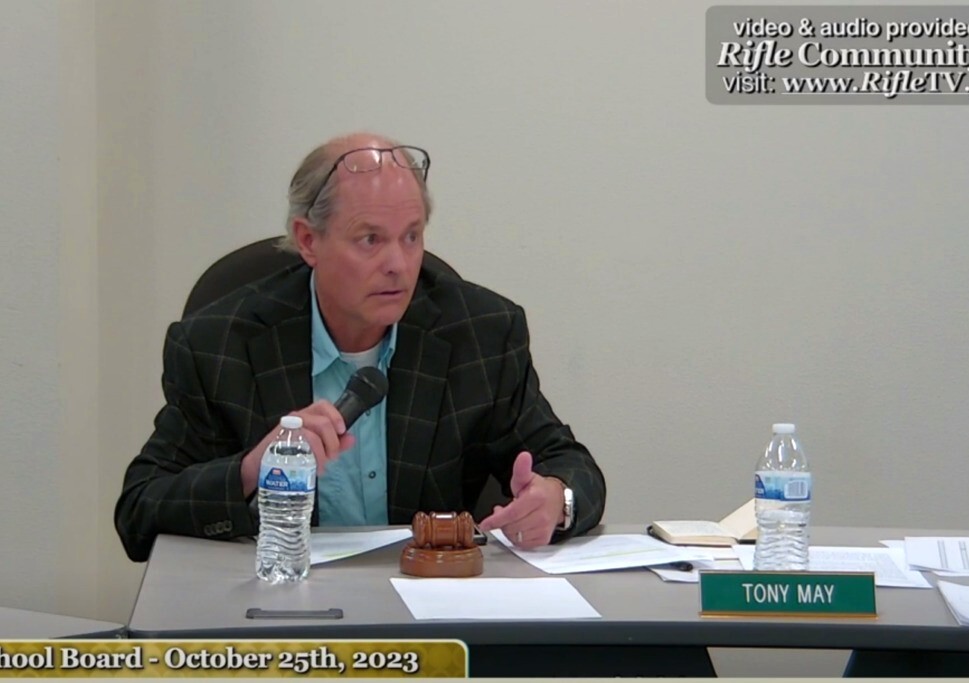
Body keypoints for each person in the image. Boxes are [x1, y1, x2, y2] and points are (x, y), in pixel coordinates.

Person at [115, 132, 606, 561]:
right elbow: (139, 513)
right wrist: (252, 470)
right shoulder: (220, 345)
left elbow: (572, 465)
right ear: (309, 240)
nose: (399, 264)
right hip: (281, 613)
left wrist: (556, 499)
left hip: (430, 612)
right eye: (370, 240)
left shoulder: (479, 333)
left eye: (411, 237)